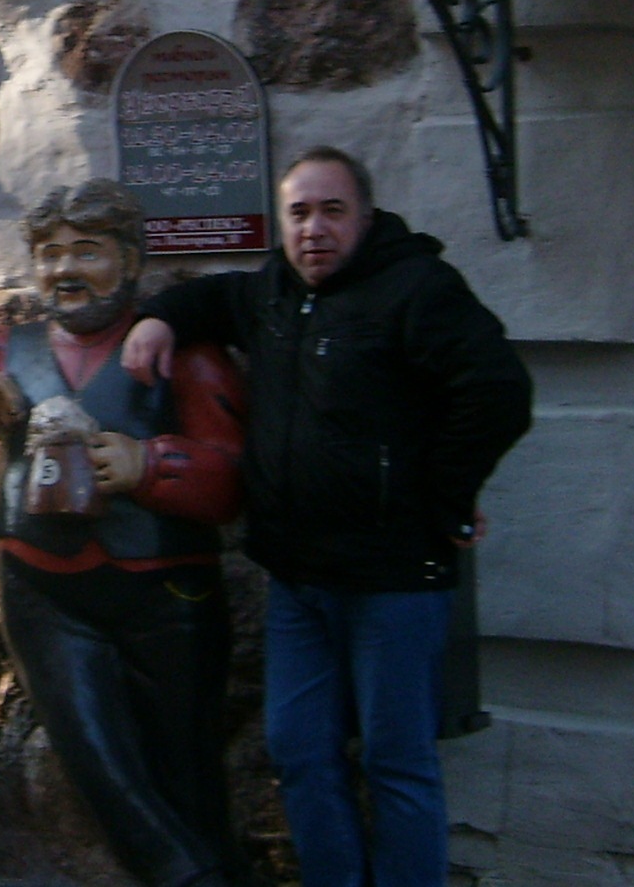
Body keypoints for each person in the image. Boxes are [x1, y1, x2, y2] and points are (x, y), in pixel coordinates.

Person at [122, 146, 533, 887]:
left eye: (332, 211)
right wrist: (156, 318)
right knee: (299, 752)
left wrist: (444, 496)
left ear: (365, 219)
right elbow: (207, 298)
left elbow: (499, 392)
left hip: (394, 580)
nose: (314, 229)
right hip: (298, 581)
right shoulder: (272, 293)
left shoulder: (418, 288)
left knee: (395, 760)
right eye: (299, 213)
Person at [0, 179, 253, 887]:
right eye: (50, 255)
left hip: (168, 592)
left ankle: (210, 869)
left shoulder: (183, 355)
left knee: (187, 764)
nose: (65, 271)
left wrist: (151, 464)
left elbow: (235, 480)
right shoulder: (10, 350)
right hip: (46, 594)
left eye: (87, 252)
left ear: (130, 261)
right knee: (97, 756)